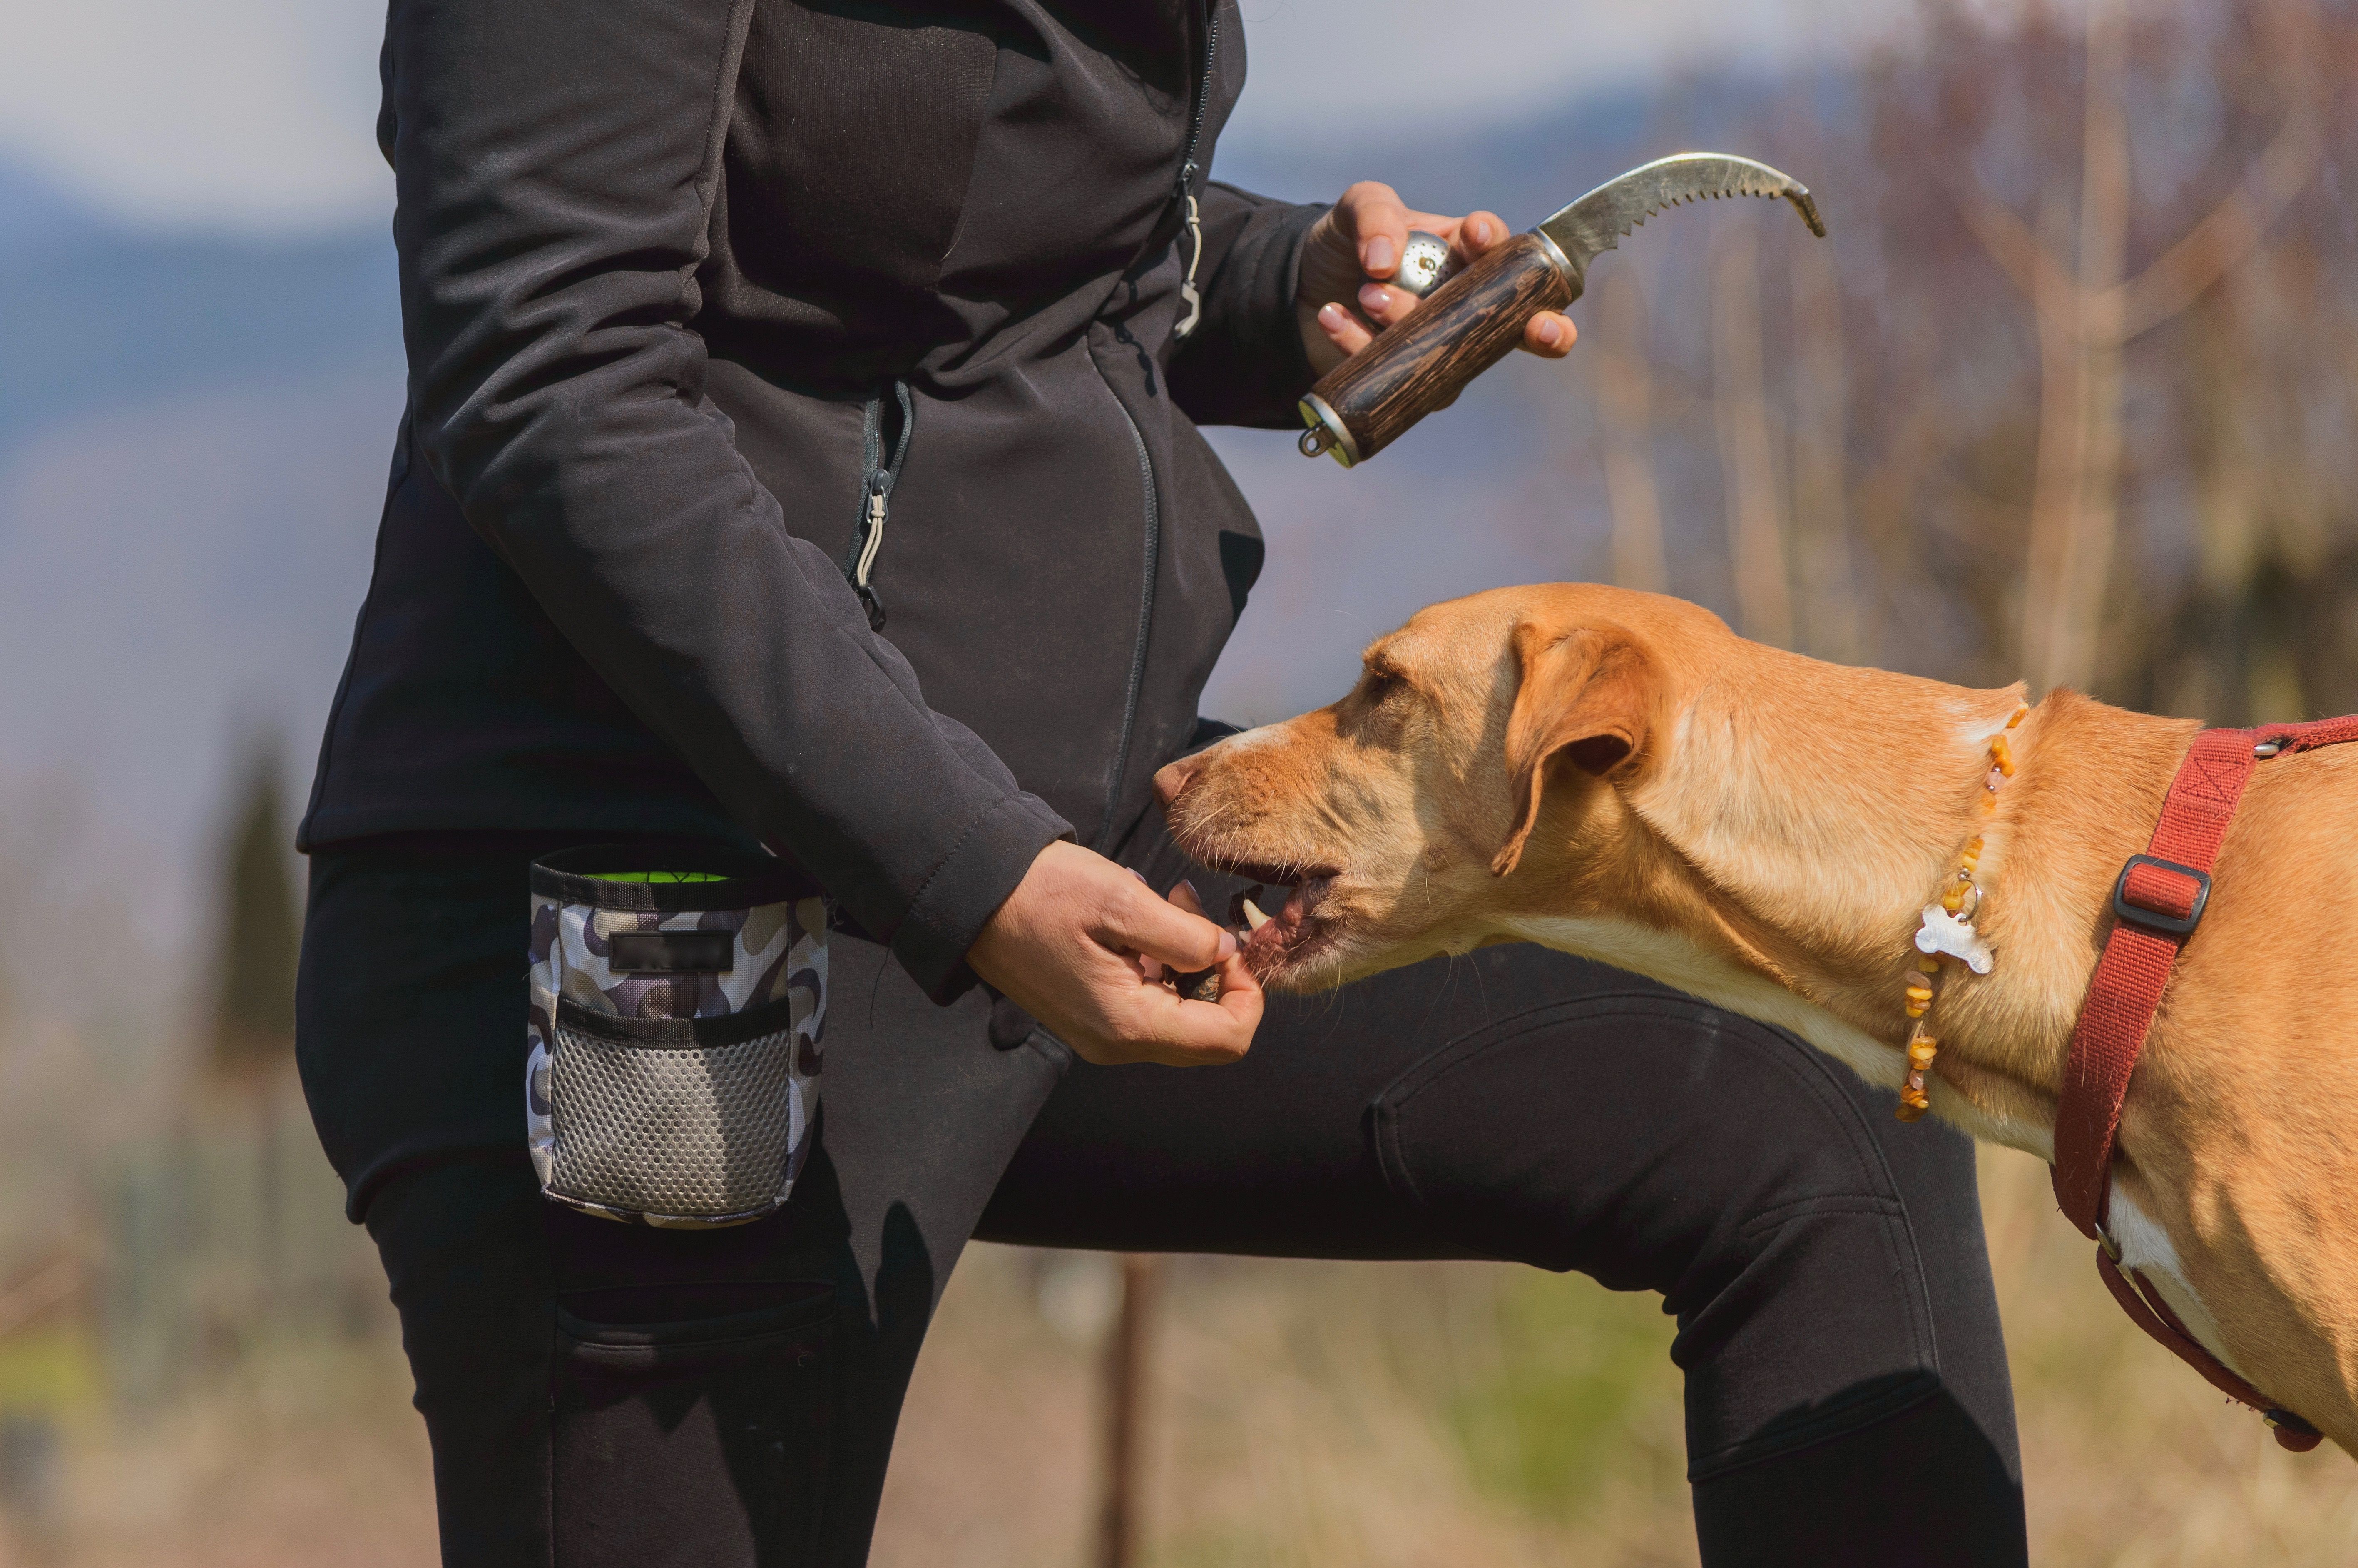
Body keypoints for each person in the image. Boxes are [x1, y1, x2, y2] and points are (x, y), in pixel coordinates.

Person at [295, 2, 2029, 1564]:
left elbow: (1003, 242)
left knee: (1804, 1095)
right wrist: (972, 873)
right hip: (660, 918)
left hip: (1058, 838)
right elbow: (554, 382)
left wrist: (1290, 291)